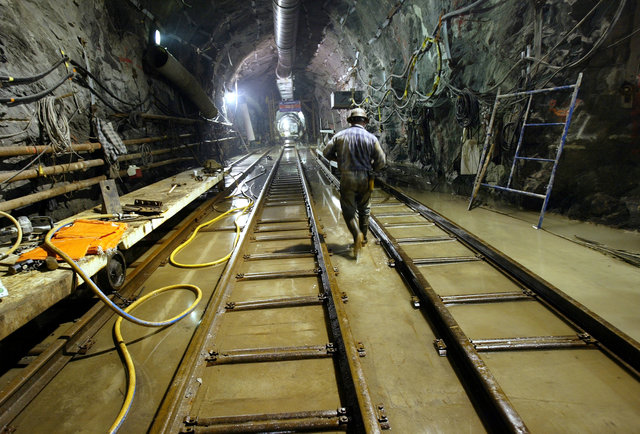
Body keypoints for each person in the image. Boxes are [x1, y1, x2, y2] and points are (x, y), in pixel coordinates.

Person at [323, 107, 386, 259]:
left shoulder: (340, 136)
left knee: (348, 210)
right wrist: (372, 168)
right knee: (365, 209)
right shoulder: (371, 138)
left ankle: (356, 234)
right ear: (365, 121)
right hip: (365, 177)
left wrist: (340, 160)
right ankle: (363, 238)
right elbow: (381, 161)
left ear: (349, 121)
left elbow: (326, 153)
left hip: (347, 177)